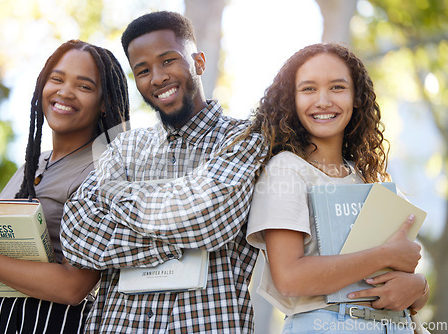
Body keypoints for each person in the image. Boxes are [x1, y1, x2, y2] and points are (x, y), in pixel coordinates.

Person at [60, 11, 264, 333]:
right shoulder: (125, 146)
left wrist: (114, 195)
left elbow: (210, 217)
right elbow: (76, 234)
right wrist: (180, 238)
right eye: (143, 70)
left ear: (198, 62)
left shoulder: (244, 138)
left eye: (168, 61)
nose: (156, 78)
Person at [245, 42, 429, 333]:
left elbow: (401, 280)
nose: (323, 101)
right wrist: (385, 255)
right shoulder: (286, 170)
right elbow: (290, 277)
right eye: (308, 89)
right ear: (291, 100)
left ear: (356, 97)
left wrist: (419, 286)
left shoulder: (366, 177)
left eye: (337, 87)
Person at [0, 39, 130, 334]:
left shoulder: (103, 171)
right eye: (57, 79)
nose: (65, 92)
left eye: (84, 86)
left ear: (104, 104)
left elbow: (75, 287)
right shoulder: (29, 167)